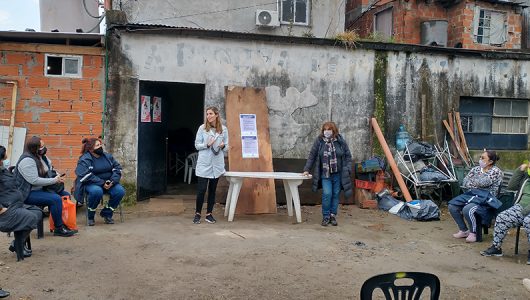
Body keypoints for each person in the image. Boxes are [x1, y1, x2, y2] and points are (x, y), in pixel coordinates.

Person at [14, 136, 74, 237]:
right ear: (34, 148)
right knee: (55, 199)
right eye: (41, 147)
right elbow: (34, 181)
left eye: (44, 146)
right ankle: (58, 228)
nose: (44, 148)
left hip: (41, 189)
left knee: (65, 195)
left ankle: (62, 222)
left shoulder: (41, 157)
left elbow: (49, 170)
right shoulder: (27, 160)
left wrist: (57, 175)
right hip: (27, 193)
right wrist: (54, 180)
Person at [302, 121, 353, 226]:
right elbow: (312, 155)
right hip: (325, 174)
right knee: (327, 194)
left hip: (338, 174)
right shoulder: (319, 141)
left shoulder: (340, 141)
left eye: (329, 130)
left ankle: (332, 216)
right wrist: (306, 169)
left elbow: (348, 156)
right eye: (325, 129)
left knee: (335, 195)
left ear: (334, 131)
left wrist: (348, 168)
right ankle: (325, 216)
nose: (327, 132)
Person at [448, 150, 503, 243]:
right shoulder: (476, 169)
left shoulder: (496, 171)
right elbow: (465, 181)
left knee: (467, 209)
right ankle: (464, 230)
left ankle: (474, 233)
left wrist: (473, 182)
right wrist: (474, 183)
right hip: (472, 195)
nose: (480, 160)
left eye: (483, 158)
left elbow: (483, 182)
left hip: (487, 199)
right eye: (480, 157)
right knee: (452, 206)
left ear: (490, 162)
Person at [480, 162, 530, 262]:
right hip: (521, 207)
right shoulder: (526, 178)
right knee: (502, 217)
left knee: (528, 221)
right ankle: (496, 248)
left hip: (526, 210)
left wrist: (525, 211)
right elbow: (511, 186)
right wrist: (520, 169)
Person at [0, 145, 40, 259]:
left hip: (16, 204)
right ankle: (18, 245)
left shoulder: (3, 169)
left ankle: (17, 243)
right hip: (5, 211)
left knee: (37, 213)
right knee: (30, 217)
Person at [74, 138, 125, 226]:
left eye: (100, 144)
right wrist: (102, 183)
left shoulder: (108, 157)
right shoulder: (84, 159)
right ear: (90, 149)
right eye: (97, 145)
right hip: (91, 184)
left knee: (120, 191)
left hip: (109, 183)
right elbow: (84, 175)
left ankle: (107, 213)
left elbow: (117, 169)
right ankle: (90, 216)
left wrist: (112, 181)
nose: (100, 147)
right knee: (97, 191)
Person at [193, 106, 229, 224]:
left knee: (213, 190)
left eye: (211, 114)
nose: (208, 116)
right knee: (201, 190)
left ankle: (209, 214)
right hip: (204, 163)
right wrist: (206, 145)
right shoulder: (202, 128)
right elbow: (197, 145)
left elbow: (228, 146)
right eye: (207, 114)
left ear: (216, 115)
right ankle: (198, 213)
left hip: (217, 164)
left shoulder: (223, 129)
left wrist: (223, 146)